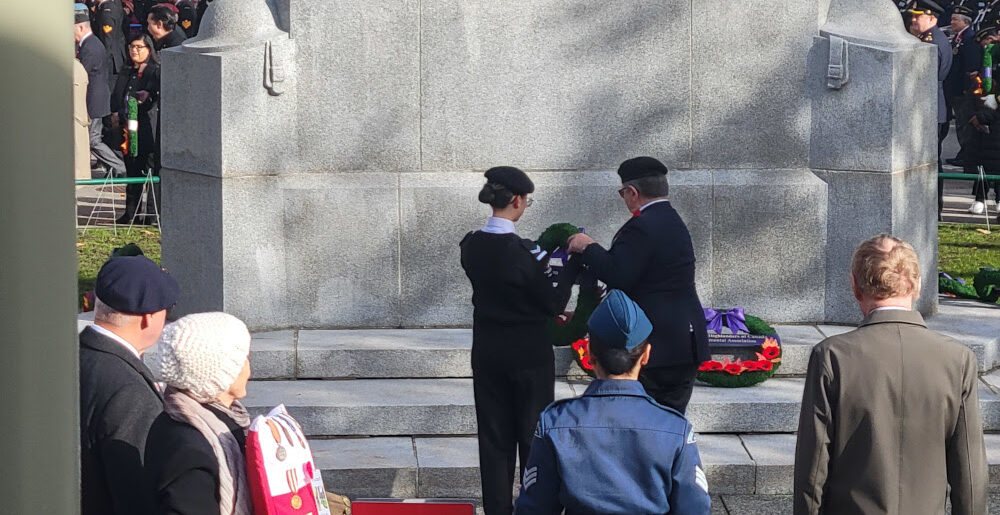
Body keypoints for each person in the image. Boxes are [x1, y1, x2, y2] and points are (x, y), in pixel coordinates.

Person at [793, 235, 988, 514]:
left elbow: (812, 469)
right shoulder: (958, 360)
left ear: (854, 286)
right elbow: (969, 474)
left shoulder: (832, 357)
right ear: (917, 285)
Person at [514, 290, 711, 515]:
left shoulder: (556, 422)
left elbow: (535, 508)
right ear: (646, 355)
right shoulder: (675, 429)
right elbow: (694, 508)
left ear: (589, 354)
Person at [459, 166, 581, 515]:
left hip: (487, 352)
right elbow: (552, 302)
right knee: (532, 438)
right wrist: (572, 265)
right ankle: (534, 508)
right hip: (528, 355)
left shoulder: (471, 246)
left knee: (494, 439)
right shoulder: (525, 254)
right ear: (518, 201)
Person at [566, 156, 710, 414]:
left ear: (632, 192)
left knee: (642, 424)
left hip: (658, 345)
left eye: (623, 193)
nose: (624, 199)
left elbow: (618, 273)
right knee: (670, 423)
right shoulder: (670, 219)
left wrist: (587, 246)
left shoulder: (643, 226)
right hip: (682, 342)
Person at [80, 255, 180, 514]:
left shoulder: (76, 357)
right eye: (166, 311)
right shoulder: (130, 391)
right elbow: (135, 489)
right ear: (148, 318)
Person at [144, 312, 255, 514]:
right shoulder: (189, 447)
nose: (249, 367)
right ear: (221, 373)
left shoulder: (216, 419)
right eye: (243, 358)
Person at [112, 34, 161, 224]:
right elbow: (118, 95)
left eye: (139, 47)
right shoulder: (127, 71)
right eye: (132, 46)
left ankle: (150, 214)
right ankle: (130, 213)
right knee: (132, 170)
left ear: (149, 49)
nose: (135, 50)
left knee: (149, 171)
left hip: (147, 129)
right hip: (128, 130)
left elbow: (154, 97)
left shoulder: (154, 71)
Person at [76, 3, 127, 178]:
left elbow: (81, 74)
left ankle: (119, 167)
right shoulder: (91, 44)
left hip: (94, 101)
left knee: (93, 140)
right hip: (96, 98)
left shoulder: (90, 47)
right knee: (95, 138)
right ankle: (114, 167)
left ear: (81, 27)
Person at [909, 1, 954, 174]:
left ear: (932, 18)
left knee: (929, 164)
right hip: (930, 106)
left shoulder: (932, 42)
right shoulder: (929, 38)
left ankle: (934, 201)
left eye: (918, 16)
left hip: (929, 106)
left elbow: (925, 78)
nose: (913, 20)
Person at [944, 2, 983, 169]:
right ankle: (963, 152)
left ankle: (967, 154)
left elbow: (971, 67)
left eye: (955, 20)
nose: (952, 22)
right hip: (955, 89)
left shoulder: (969, 39)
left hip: (963, 90)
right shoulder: (959, 38)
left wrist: (967, 88)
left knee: (964, 123)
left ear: (965, 22)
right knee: (961, 122)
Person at [92, 0, 129, 88]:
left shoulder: (106, 12)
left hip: (111, 61)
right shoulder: (116, 4)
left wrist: (103, 62)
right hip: (118, 55)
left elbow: (107, 40)